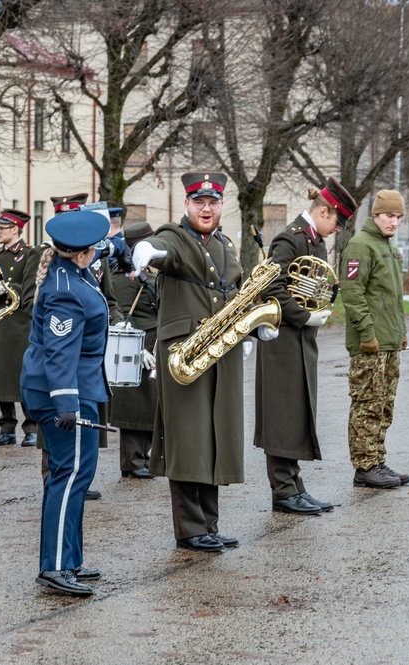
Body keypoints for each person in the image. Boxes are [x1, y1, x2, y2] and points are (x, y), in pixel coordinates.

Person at [132, 172, 243, 553]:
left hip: (220, 353)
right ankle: (190, 528)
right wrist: (148, 251)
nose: (206, 209)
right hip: (184, 356)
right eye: (199, 202)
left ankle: (209, 524)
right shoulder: (177, 237)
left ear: (222, 205)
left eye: (213, 202)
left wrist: (251, 328)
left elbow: (239, 292)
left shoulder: (226, 245)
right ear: (186, 205)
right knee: (187, 439)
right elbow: (163, 247)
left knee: (213, 436)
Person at [21, 209, 111, 597]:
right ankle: (54, 566)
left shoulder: (71, 272)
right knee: (69, 476)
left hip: (75, 387)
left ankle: (69, 559)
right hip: (66, 390)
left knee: (76, 476)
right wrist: (66, 404)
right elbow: (60, 353)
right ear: (80, 253)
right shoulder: (65, 290)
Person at [255, 178, 356, 514]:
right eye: (336, 222)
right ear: (324, 211)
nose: (336, 230)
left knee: (297, 413)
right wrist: (304, 317)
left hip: (301, 341)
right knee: (282, 415)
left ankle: (294, 484)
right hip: (282, 339)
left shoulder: (313, 240)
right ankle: (283, 490)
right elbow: (273, 289)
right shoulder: (290, 238)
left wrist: (318, 308)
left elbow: (312, 285)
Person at [340, 189, 409, 489]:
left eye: (398, 217)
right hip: (371, 344)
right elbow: (353, 294)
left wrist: (401, 332)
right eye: (389, 216)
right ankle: (365, 466)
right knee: (367, 403)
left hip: (389, 342)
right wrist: (366, 333)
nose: (394, 222)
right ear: (375, 215)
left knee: (384, 405)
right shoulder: (360, 245)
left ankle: (378, 459)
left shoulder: (389, 248)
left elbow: (393, 298)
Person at [0, 209, 39, 447]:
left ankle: (31, 427)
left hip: (20, 323)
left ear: (15, 229)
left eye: (2, 228)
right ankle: (7, 427)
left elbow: (32, 287)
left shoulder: (30, 253)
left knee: (22, 376)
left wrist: (7, 287)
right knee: (1, 376)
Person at [109, 222, 158, 480]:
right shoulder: (132, 277)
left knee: (147, 405)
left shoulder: (132, 274)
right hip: (137, 343)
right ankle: (133, 461)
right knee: (135, 407)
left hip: (148, 343)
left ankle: (141, 458)